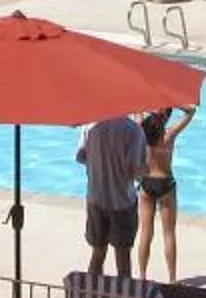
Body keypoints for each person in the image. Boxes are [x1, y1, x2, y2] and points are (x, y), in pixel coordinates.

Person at [76, 109, 148, 276]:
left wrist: (99, 162)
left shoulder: (90, 125)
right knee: (123, 259)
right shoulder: (134, 130)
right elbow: (134, 171)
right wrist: (146, 170)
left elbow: (81, 156)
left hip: (96, 198)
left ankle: (91, 297)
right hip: (122, 201)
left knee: (97, 254)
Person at [137, 103, 197, 281]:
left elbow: (135, 108)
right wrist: (173, 101)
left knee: (145, 232)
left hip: (147, 183)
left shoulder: (141, 131)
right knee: (169, 233)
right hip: (165, 183)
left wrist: (148, 102)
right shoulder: (169, 134)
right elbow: (191, 111)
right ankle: (172, 279)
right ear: (166, 117)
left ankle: (142, 276)